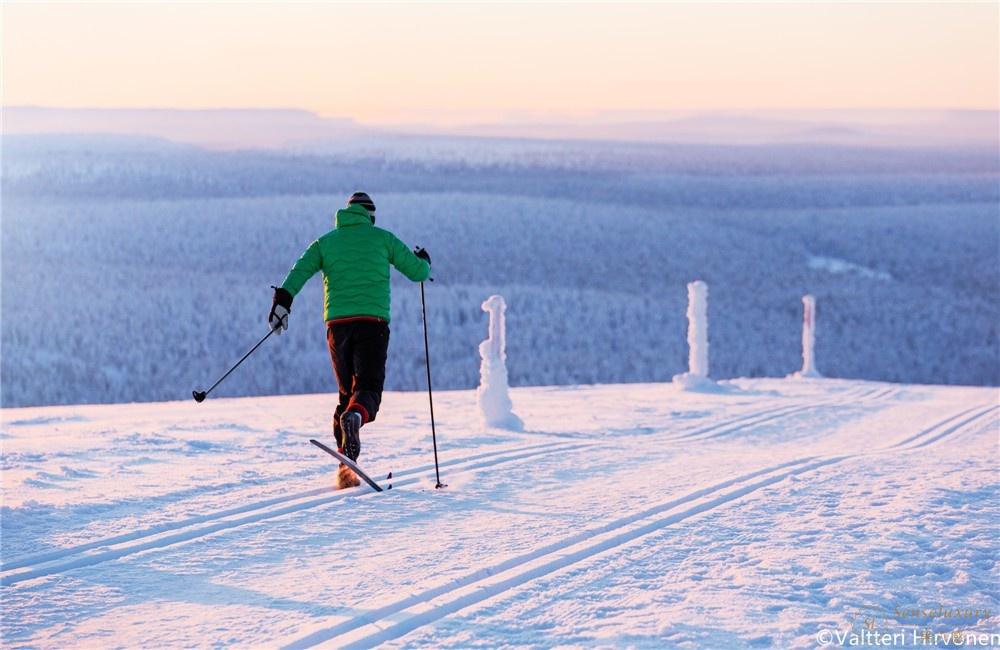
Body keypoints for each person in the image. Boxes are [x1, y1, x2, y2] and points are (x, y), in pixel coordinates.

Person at [268, 192, 431, 485]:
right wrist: (424, 262)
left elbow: (300, 270)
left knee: (346, 394)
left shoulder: (325, 242)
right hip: (373, 323)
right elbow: (417, 272)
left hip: (337, 327)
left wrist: (283, 301)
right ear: (370, 217)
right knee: (367, 390)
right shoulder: (383, 239)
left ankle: (346, 468)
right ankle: (355, 419)